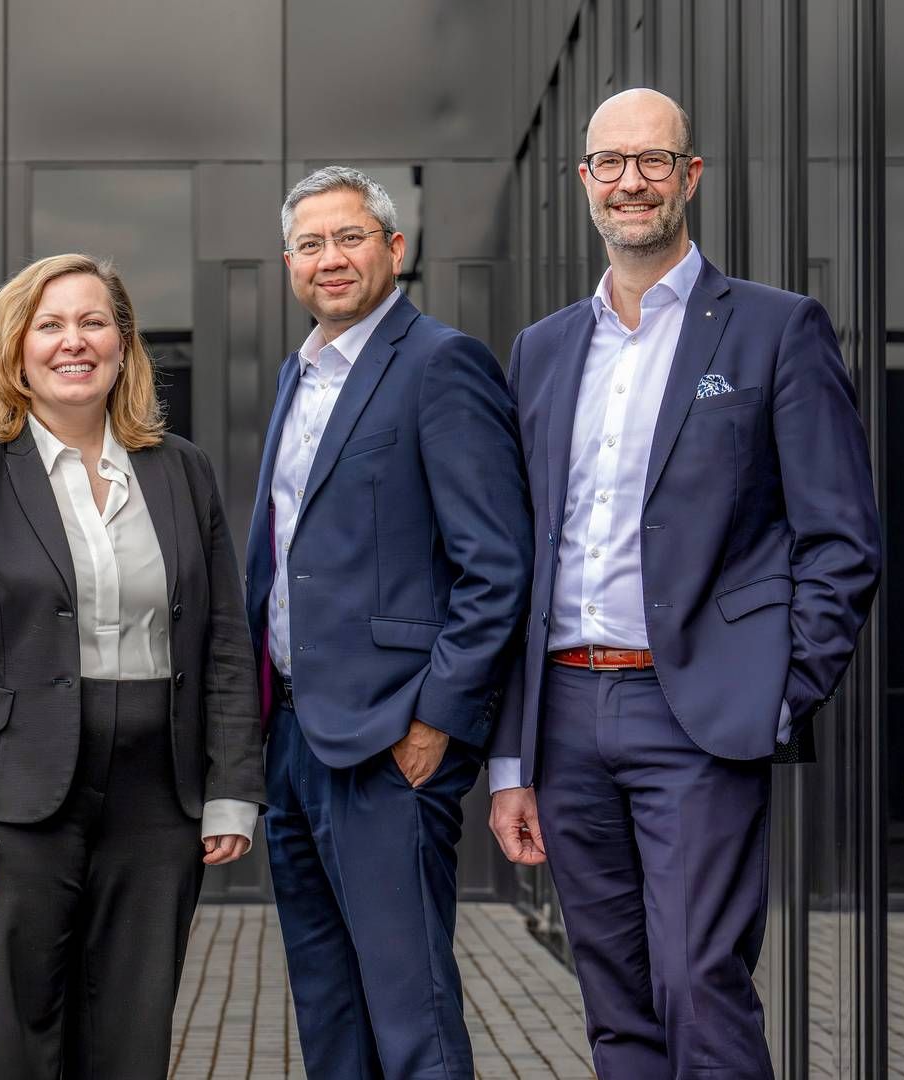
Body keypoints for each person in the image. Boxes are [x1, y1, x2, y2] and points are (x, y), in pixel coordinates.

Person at [486, 88, 881, 1080]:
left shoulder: (774, 330)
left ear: (690, 176)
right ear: (584, 181)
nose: (631, 181)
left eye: (654, 161)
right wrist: (512, 757)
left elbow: (841, 537)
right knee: (613, 996)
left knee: (699, 981)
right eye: (611, 163)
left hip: (695, 710)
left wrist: (780, 687)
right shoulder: (541, 352)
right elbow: (520, 557)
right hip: (566, 711)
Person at [0, 253, 265, 1079]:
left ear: (123, 342)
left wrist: (234, 785)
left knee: (130, 1042)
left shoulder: (182, 470)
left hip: (156, 798)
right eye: (50, 324)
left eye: (93, 321)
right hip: (10, 799)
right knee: (5, 1045)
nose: (74, 342)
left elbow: (222, 641)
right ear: (16, 348)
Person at [244, 167, 533, 1079]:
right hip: (293, 741)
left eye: (351, 237)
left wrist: (435, 725)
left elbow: (497, 565)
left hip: (388, 747)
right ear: (289, 262)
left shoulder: (441, 363)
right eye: (310, 244)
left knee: (414, 1023)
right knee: (329, 1016)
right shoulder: (299, 375)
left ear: (395, 250)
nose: (330, 259)